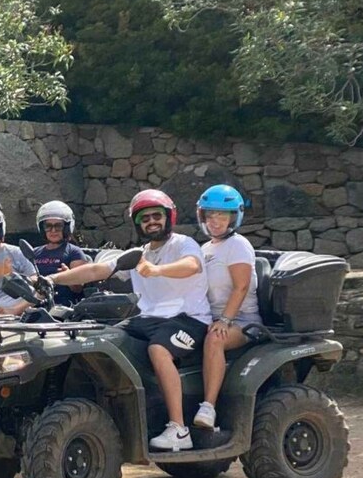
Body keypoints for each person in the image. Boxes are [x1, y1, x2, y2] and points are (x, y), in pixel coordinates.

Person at [43, 189, 210, 451]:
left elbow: (192, 265)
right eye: (145, 218)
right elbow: (97, 269)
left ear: (169, 217)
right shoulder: (138, 253)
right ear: (137, 224)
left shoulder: (183, 244)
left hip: (188, 319)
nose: (152, 221)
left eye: (157, 215)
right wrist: (50, 279)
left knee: (159, 350)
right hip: (147, 319)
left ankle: (179, 429)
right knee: (101, 337)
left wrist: (157, 270)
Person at [195, 184, 261, 429]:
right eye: (210, 215)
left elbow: (241, 287)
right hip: (212, 315)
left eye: (222, 215)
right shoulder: (205, 249)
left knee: (215, 338)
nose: (215, 221)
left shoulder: (238, 245)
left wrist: (224, 320)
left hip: (243, 320)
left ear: (234, 217)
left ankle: (208, 407)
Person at [31, 201, 89, 306]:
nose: (53, 230)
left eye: (58, 226)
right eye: (48, 226)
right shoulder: (34, 252)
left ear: (67, 227)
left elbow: (78, 288)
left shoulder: (74, 252)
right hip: (35, 307)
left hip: (65, 310)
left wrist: (69, 276)